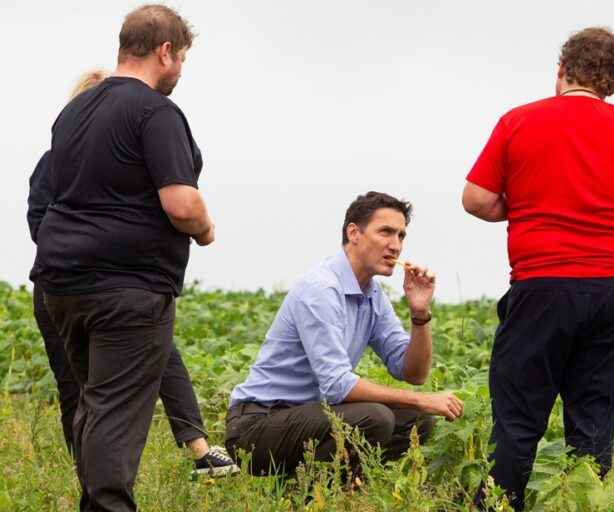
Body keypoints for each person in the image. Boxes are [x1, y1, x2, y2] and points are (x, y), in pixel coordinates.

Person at [462, 27, 614, 510]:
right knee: (593, 423)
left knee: (519, 419)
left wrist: (519, 206)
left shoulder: (519, 121)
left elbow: (476, 199)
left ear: (561, 71)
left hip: (544, 284)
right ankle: (584, 500)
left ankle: (501, 505)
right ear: (613, 82)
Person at [30, 6, 228, 510]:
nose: (180, 70)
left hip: (62, 287)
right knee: (115, 417)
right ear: (165, 51)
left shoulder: (72, 113)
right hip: (128, 288)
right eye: (181, 58)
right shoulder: (155, 111)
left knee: (95, 408)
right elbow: (181, 203)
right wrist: (205, 228)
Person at [226, 191, 464, 476]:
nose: (396, 245)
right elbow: (337, 385)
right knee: (375, 418)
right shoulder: (321, 288)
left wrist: (420, 314)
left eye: (401, 235)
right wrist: (421, 398)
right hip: (257, 426)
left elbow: (413, 373)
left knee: (418, 421)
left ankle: (335, 491)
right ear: (354, 233)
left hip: (308, 417)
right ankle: (314, 491)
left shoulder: (373, 295)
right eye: (386, 232)